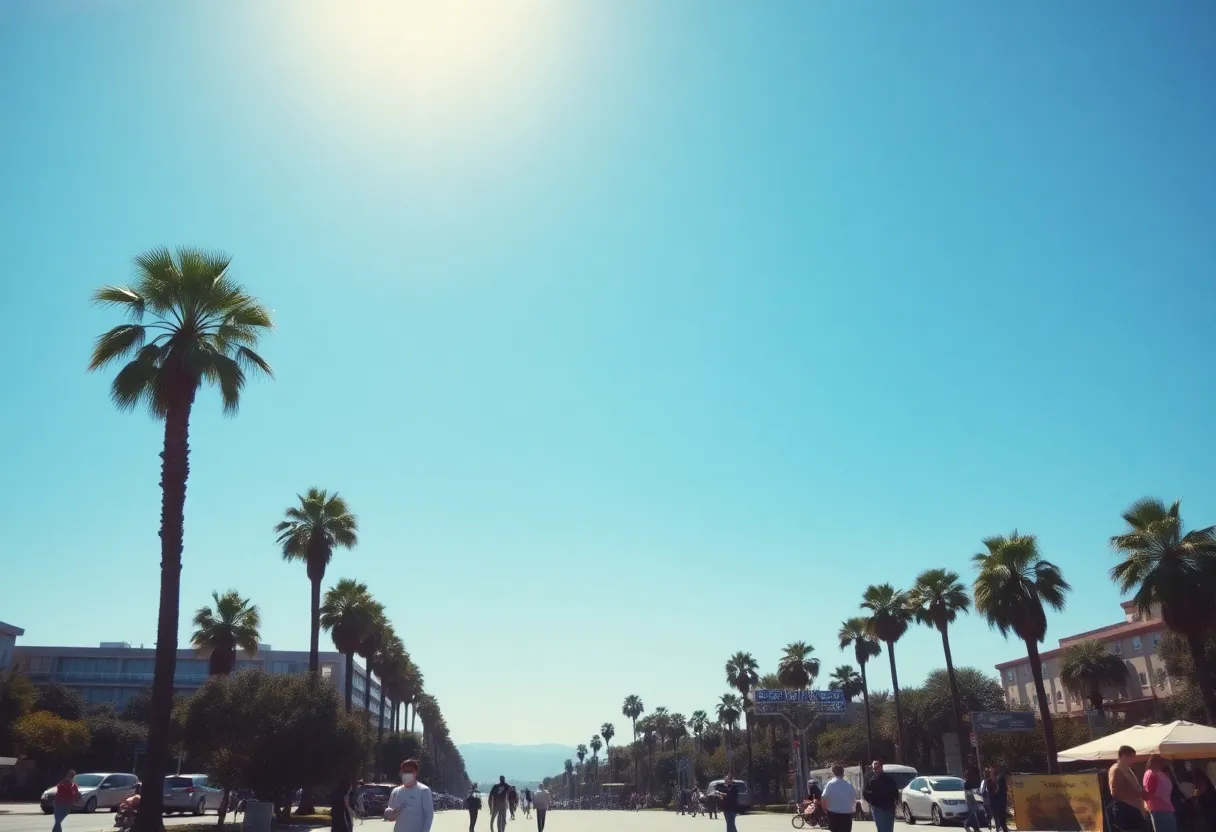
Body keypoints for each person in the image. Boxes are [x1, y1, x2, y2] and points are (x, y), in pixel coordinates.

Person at [384, 759, 434, 832]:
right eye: (404, 771)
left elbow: (429, 815)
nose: (407, 774)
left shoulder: (424, 791)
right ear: (401, 773)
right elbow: (391, 816)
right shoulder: (395, 792)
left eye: (410, 771)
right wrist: (389, 815)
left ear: (416, 772)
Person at [1110, 745, 1149, 832]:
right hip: (1126, 808)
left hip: (1136, 808)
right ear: (1124, 756)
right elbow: (1115, 792)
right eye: (1131, 757)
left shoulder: (1128, 769)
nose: (1133, 759)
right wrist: (1137, 793)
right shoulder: (1117, 769)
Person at [864, 758, 899, 832]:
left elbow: (895, 792)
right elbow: (866, 793)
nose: (877, 769)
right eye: (875, 768)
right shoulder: (873, 780)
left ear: (881, 767)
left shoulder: (887, 780)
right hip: (882, 807)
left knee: (885, 828)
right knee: (885, 828)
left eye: (878, 767)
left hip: (885, 807)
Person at [1145, 754, 1177, 832]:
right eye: (1160, 761)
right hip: (1159, 810)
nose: (1162, 763)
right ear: (1154, 762)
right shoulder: (1151, 774)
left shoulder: (1159, 773)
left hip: (1166, 809)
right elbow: (1148, 793)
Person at [821, 764, 858, 832]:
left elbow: (823, 798)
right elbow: (853, 799)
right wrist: (853, 811)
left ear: (833, 773)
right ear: (843, 773)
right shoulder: (849, 785)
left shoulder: (830, 784)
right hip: (846, 815)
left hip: (833, 814)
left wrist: (824, 809)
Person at [984, 767, 1009, 832]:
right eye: (991, 773)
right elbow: (990, 793)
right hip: (993, 802)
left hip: (1001, 803)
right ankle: (998, 828)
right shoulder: (988, 781)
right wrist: (996, 790)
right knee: (995, 816)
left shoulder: (1001, 780)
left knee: (1002, 818)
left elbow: (1005, 790)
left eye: (994, 773)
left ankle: (1004, 828)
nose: (992, 775)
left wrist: (1005, 800)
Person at [963, 766, 983, 832]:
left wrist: (976, 792)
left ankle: (976, 828)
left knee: (975, 813)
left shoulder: (971, 782)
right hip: (969, 800)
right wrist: (972, 791)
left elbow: (975, 790)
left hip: (974, 799)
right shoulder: (966, 783)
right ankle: (966, 824)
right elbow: (967, 792)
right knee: (972, 813)